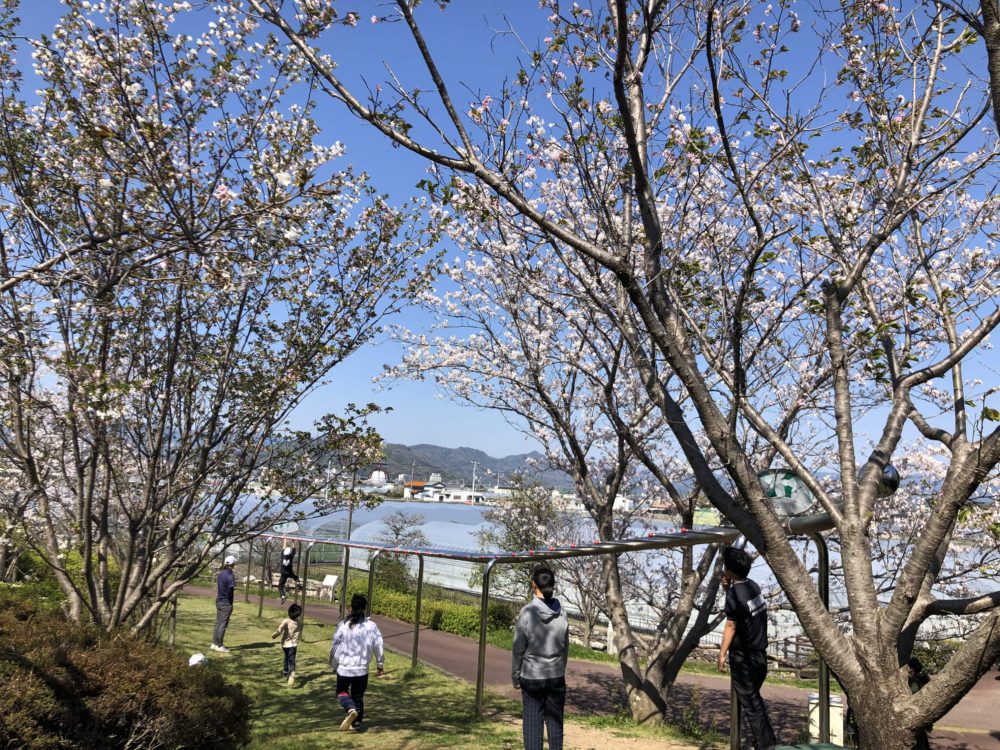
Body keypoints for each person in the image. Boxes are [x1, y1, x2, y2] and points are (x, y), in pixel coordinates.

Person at [718, 546, 776, 750]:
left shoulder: (735, 593)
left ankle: (766, 744)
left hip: (744, 658)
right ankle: (763, 741)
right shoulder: (752, 586)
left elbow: (731, 624)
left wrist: (722, 653)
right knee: (754, 701)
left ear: (730, 570)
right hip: (760, 655)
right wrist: (728, 589)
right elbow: (743, 609)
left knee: (751, 705)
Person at [511, 565, 569, 750]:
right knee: (555, 725)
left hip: (532, 676)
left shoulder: (528, 612)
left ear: (533, 585)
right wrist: (560, 669)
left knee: (532, 726)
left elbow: (518, 647)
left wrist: (515, 674)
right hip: (556, 676)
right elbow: (565, 647)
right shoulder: (562, 612)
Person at [330, 593, 384, 732]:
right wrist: (380, 664)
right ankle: (357, 722)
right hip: (362, 670)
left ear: (350, 607)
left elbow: (335, 646)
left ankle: (350, 709)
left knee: (341, 692)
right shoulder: (372, 626)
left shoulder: (343, 625)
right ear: (365, 608)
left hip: (344, 668)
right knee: (358, 695)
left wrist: (334, 664)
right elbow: (379, 645)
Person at [211, 555, 237, 652]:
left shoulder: (221, 573)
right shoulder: (230, 575)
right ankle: (219, 644)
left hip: (219, 600)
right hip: (226, 602)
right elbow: (231, 589)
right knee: (223, 624)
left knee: (218, 623)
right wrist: (230, 602)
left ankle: (214, 642)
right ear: (233, 564)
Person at [273, 602, 303, 686]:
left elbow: (280, 630)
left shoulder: (286, 621)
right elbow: (300, 630)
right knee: (291, 659)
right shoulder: (299, 623)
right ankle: (290, 671)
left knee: (286, 658)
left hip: (286, 645)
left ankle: (286, 672)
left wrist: (275, 635)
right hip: (294, 645)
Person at [907, 656, 932, 750]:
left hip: (915, 713)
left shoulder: (913, 680)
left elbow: (913, 693)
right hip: (924, 711)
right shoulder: (924, 677)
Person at [278, 539, 300, 604]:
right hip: (289, 572)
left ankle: (282, 596)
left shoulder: (282, 555)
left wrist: (285, 539)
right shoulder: (291, 556)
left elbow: (284, 547)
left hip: (283, 573)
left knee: (280, 586)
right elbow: (294, 549)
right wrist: (293, 542)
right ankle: (298, 582)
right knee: (295, 577)